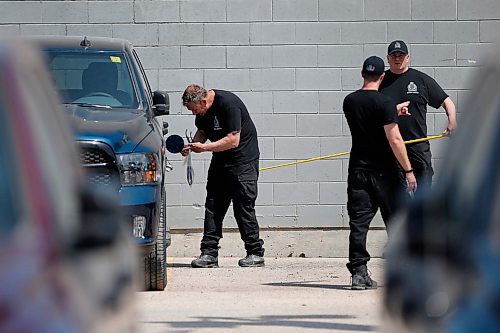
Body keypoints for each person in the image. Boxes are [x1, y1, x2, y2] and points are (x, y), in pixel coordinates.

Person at [343, 56, 417, 290]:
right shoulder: (385, 102)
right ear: (383, 76)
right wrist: (409, 170)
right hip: (385, 172)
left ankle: (358, 272)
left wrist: (392, 111)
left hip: (358, 170)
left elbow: (368, 113)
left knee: (359, 222)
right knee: (396, 221)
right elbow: (394, 138)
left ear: (362, 73)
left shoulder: (349, 101)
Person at [181, 84, 265, 268]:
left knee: (243, 206)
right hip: (220, 160)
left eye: (194, 110)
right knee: (213, 205)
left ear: (203, 101)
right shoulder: (202, 113)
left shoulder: (229, 104)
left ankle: (255, 253)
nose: (193, 114)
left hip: (243, 160)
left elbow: (233, 140)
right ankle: (209, 254)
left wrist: (204, 148)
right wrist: (193, 145)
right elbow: (202, 132)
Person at [380, 40, 457, 195]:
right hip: (390, 146)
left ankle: (422, 218)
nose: (397, 58)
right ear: (387, 59)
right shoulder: (380, 82)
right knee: (395, 194)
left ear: (408, 57)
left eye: (401, 55)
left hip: (417, 145)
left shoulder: (420, 79)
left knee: (423, 190)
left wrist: (452, 121)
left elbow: (447, 102)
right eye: (393, 55)